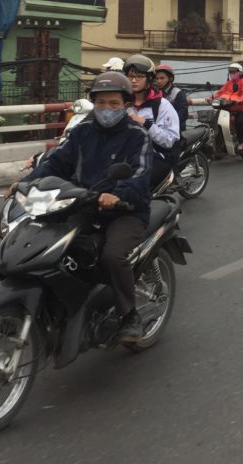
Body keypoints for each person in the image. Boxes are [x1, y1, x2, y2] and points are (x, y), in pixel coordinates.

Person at [22, 71, 152, 343]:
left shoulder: (136, 135)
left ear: (126, 105)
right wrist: (24, 183)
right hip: (83, 204)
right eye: (101, 103)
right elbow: (54, 163)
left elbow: (140, 174)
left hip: (125, 210)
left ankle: (129, 316)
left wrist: (117, 194)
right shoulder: (82, 132)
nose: (106, 109)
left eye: (114, 103)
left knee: (113, 256)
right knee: (48, 243)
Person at [122, 54, 180, 188]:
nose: (134, 80)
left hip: (156, 156)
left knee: (137, 187)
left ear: (148, 79)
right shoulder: (121, 103)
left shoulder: (161, 105)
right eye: (130, 76)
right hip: (127, 155)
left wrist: (145, 123)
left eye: (139, 77)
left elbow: (170, 140)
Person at [212, 62, 243, 153]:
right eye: (230, 72)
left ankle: (241, 143)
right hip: (228, 108)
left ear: (240, 73)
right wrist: (211, 98)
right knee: (218, 122)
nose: (232, 74)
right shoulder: (229, 83)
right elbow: (220, 93)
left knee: (238, 122)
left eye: (234, 72)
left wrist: (240, 99)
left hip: (240, 109)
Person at [154, 64, 188, 132]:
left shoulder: (178, 93)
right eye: (157, 79)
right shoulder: (155, 94)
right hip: (158, 131)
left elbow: (183, 114)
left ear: (170, 78)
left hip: (176, 132)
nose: (159, 81)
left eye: (162, 78)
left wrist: (167, 121)